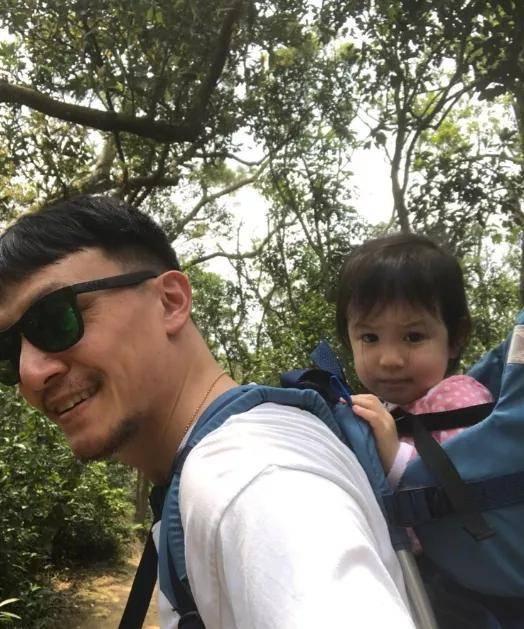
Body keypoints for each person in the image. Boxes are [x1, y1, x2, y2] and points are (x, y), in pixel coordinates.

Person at [0, 195, 414, 628]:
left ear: (170, 302)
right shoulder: (210, 470)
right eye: (7, 351)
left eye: (55, 318)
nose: (30, 373)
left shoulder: (248, 478)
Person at [335, 232, 493, 488]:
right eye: (370, 337)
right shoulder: (382, 410)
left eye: (413, 337)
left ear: (455, 338)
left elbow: (476, 483)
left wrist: (395, 455)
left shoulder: (458, 397)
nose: (390, 360)